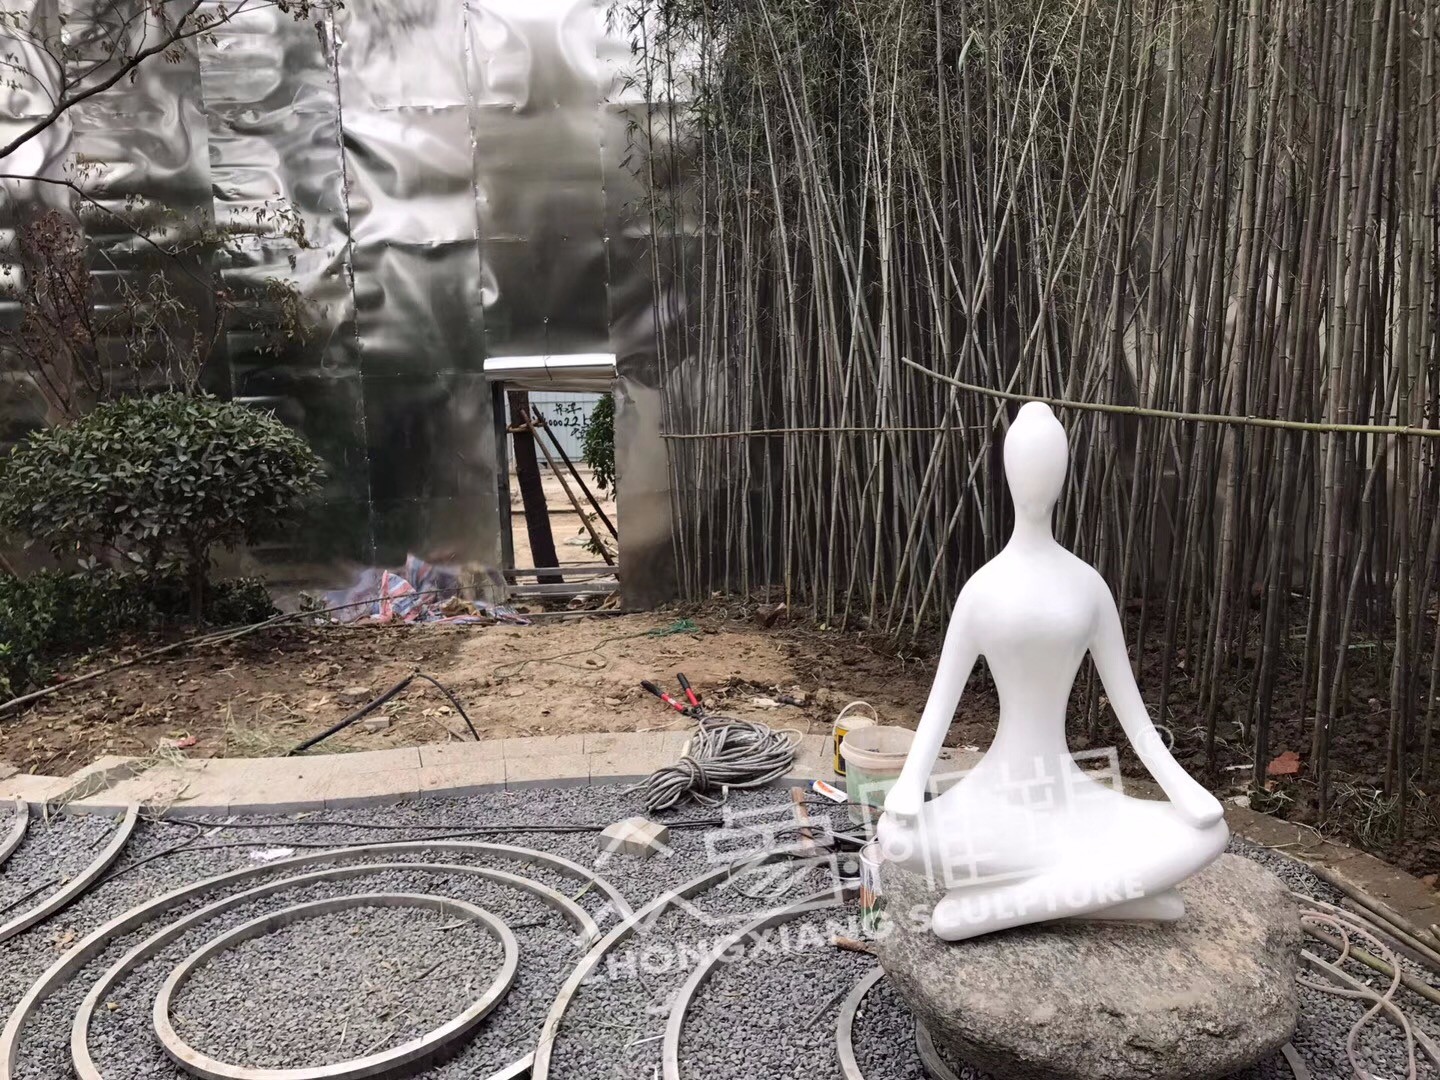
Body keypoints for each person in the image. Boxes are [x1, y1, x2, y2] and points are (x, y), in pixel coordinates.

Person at [877, 402, 1227, 941]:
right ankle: (1115, 893)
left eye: (1049, 464)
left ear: (1064, 474)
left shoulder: (1088, 586)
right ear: (1008, 470)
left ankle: (991, 911)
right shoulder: (981, 589)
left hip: (1072, 801)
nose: (1036, 478)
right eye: (1026, 463)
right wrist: (908, 787)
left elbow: (1134, 718)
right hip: (993, 801)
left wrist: (1185, 791)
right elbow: (938, 710)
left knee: (1210, 834)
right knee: (896, 838)